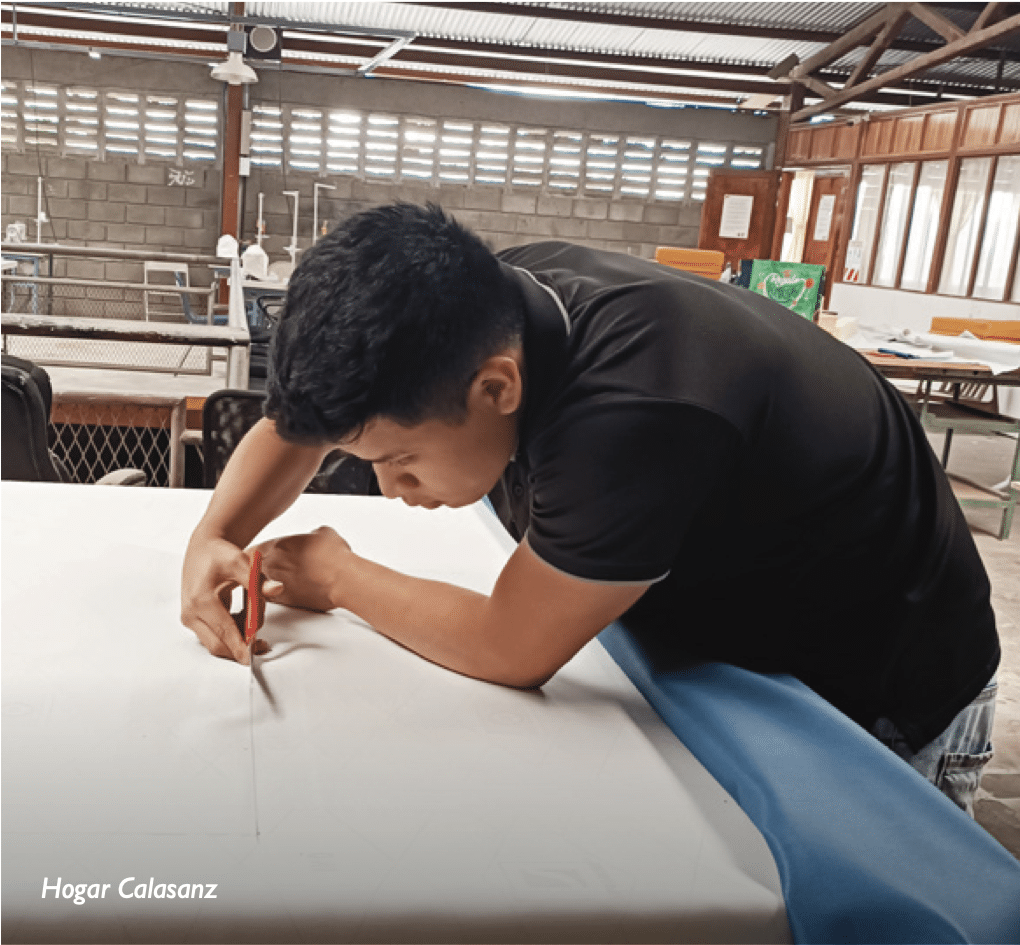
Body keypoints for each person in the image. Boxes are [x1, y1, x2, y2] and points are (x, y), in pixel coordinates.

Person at [181, 202, 999, 814]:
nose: (392, 489)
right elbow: (298, 425)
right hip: (749, 623)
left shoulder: (634, 411)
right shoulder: (482, 307)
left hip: (878, 689)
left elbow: (512, 645)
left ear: (496, 387)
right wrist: (215, 535)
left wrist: (337, 574)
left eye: (400, 461)